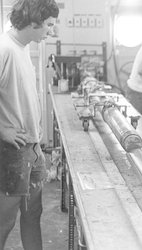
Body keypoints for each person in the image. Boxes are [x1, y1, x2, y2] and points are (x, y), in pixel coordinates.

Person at [0, 0, 59, 249]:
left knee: (33, 214)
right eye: (48, 25)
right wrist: (2, 129)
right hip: (14, 150)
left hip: (32, 147)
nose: (50, 31)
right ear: (33, 21)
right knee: (4, 220)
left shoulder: (22, 47)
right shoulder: (5, 49)